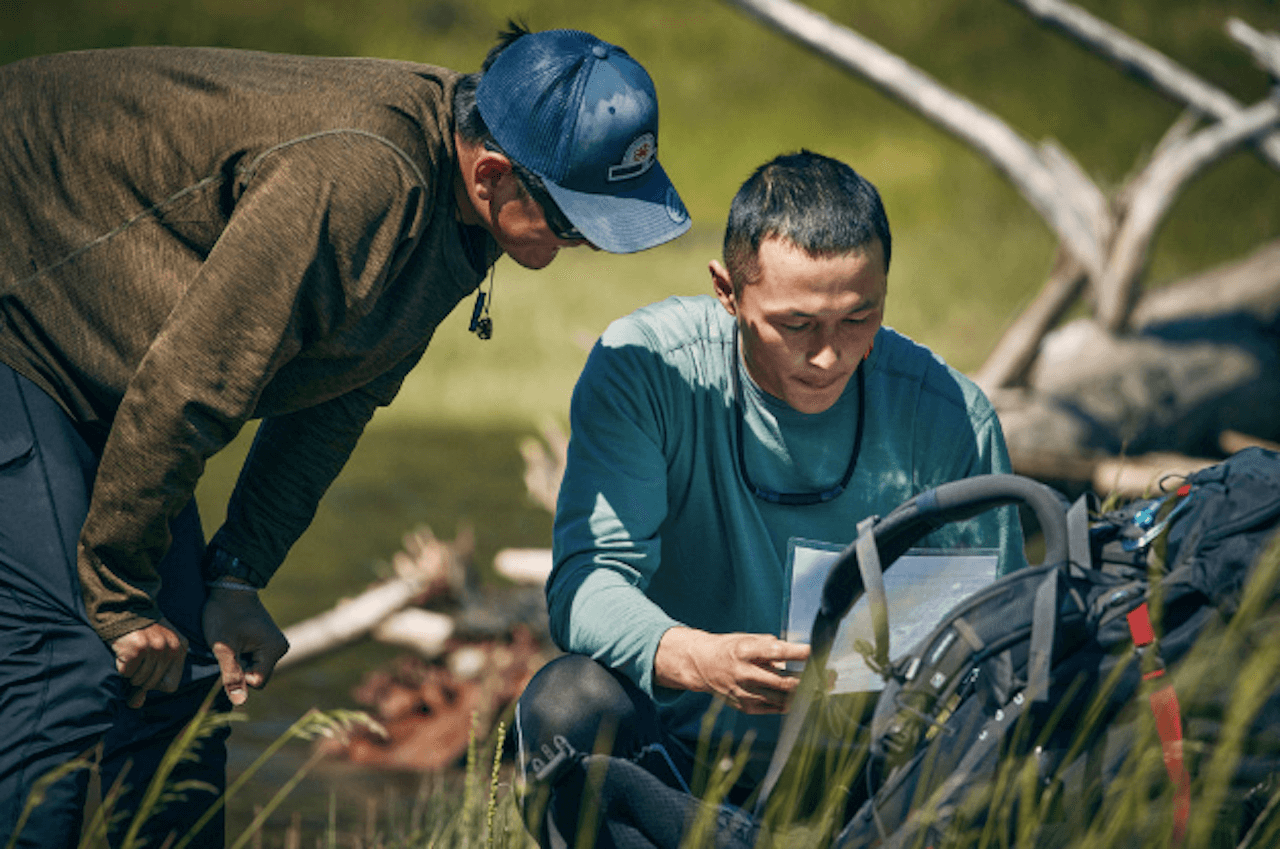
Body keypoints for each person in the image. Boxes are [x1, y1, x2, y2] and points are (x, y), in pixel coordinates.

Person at [0, 23, 689, 848]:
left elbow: (337, 399)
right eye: (574, 224)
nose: (583, 248)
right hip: (25, 311)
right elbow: (197, 381)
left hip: (109, 358)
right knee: (74, 675)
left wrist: (238, 574)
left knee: (182, 686)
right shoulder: (366, 176)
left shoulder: (457, 214)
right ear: (493, 173)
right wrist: (113, 592)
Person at [514, 151, 1026, 848]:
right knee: (567, 701)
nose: (830, 356)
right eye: (797, 325)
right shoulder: (645, 370)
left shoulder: (952, 415)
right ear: (727, 292)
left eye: (858, 318)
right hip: (678, 761)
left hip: (872, 773)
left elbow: (1005, 647)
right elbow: (584, 585)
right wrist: (699, 657)